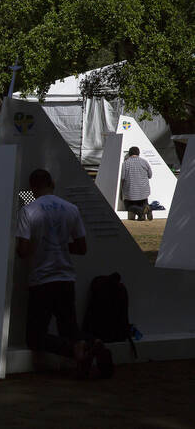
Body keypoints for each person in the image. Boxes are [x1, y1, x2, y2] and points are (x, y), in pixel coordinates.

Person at [15, 169, 113, 378]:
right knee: (69, 329)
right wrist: (60, 247)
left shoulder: (28, 211)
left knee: (35, 338)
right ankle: (91, 343)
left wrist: (38, 246)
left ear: (32, 188)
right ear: (52, 183)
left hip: (41, 279)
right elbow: (81, 247)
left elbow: (23, 251)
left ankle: (76, 351)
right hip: (66, 278)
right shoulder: (71, 209)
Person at [120, 146, 152, 221]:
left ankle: (140, 212)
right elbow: (150, 175)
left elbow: (123, 178)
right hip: (144, 192)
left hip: (131, 193)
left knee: (129, 207)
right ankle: (146, 209)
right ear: (138, 153)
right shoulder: (144, 162)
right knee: (143, 203)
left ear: (129, 154)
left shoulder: (126, 163)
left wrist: (122, 191)